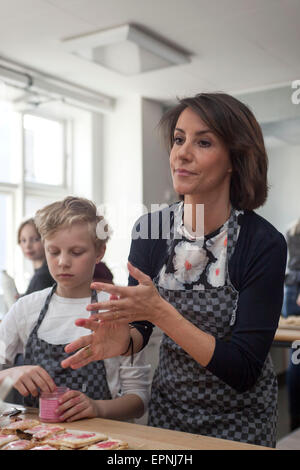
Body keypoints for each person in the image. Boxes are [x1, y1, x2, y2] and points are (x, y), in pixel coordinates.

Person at [61, 93, 287, 447]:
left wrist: (161, 313)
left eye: (204, 142)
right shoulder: (150, 230)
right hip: (170, 415)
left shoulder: (262, 243)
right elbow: (142, 323)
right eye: (179, 139)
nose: (181, 152)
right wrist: (126, 340)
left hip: (240, 421)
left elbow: (243, 369)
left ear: (234, 160)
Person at [0, 196, 150, 422]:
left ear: (99, 252)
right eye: (53, 251)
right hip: (38, 440)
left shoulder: (116, 309)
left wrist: (98, 408)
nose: (63, 262)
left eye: (76, 252)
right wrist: (8, 374)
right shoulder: (26, 309)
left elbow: (138, 399)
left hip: (104, 440)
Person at [282, 219, 300, 430]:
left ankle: (296, 419)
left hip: (291, 294)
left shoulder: (292, 229)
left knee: (296, 357)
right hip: (296, 295)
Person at [17, 218, 54, 296]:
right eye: (23, 240)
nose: (28, 246)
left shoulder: (41, 277)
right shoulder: (41, 274)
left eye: (35, 239)